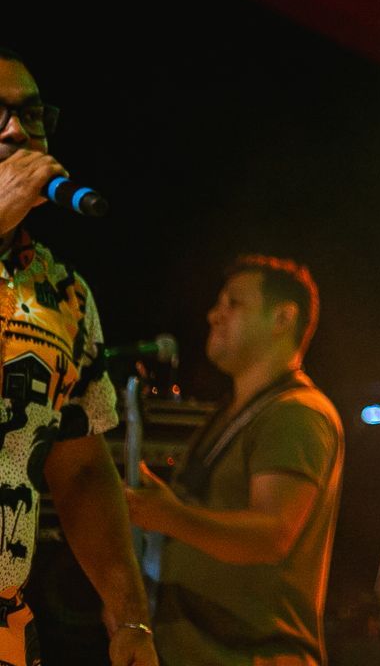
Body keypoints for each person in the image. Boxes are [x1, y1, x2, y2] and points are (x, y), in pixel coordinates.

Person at [0, 46, 158, 666]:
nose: (16, 129)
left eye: (31, 114)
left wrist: (130, 620)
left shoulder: (62, 291)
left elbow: (83, 470)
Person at [125, 255, 343, 666]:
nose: (213, 315)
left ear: (282, 318)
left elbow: (273, 534)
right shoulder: (228, 416)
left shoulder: (296, 412)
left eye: (233, 304)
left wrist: (168, 515)